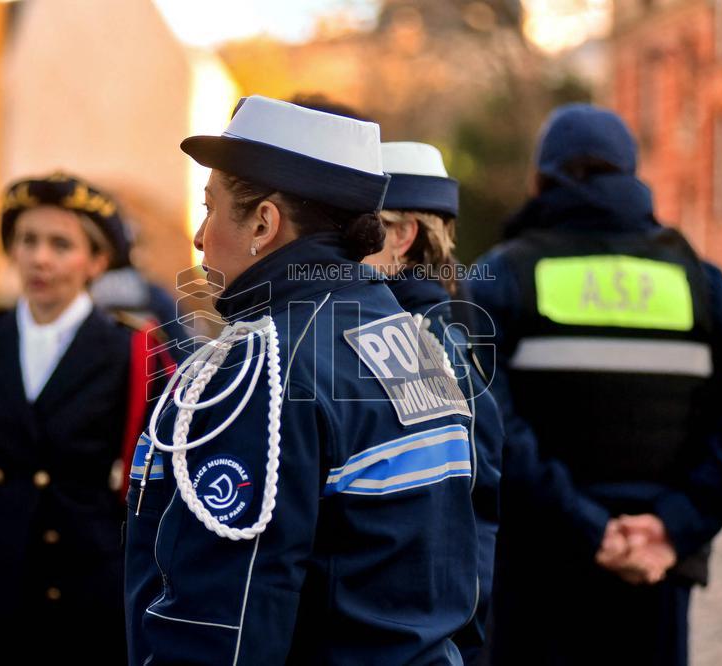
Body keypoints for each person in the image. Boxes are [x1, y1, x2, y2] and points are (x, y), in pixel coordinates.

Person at [125, 95, 479, 665]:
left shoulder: (262, 366)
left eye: (210, 208)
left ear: (264, 223)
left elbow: (225, 621)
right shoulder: (412, 342)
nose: (198, 235)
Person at [468, 104, 722, 665]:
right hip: (654, 580)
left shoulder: (499, 279)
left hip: (536, 582)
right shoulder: (705, 286)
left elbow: (486, 425)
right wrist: (669, 529)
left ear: (540, 181)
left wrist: (588, 529)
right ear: (633, 176)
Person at [0, 173, 148, 664]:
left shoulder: (130, 350)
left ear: (96, 261)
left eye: (61, 244)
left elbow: (142, 500)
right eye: (27, 240)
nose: (40, 258)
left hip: (80, 605)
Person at [361, 141, 504, 664]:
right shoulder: (435, 324)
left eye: (360, 223)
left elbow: (468, 494)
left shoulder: (416, 339)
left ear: (402, 235)